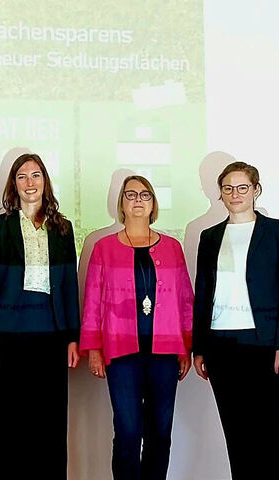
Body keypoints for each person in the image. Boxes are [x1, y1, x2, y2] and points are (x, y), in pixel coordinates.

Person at [80, 175, 194, 480]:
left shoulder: (172, 247)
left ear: (154, 203)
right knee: (128, 432)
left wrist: (186, 347)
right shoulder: (103, 248)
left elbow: (185, 299)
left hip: (165, 352)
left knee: (160, 431)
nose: (138, 200)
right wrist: (92, 348)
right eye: (131, 195)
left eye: (145, 195)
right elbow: (92, 301)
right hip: (121, 352)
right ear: (121, 204)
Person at [192, 161, 279, 479]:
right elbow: (203, 292)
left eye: (242, 187)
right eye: (228, 188)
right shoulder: (209, 236)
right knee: (236, 434)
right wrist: (199, 348)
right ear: (220, 195)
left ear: (256, 190)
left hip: (266, 345)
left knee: (269, 433)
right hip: (221, 346)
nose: (235, 194)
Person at [0, 153, 80, 480]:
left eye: (36, 175)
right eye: (22, 176)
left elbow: (68, 288)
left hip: (50, 339)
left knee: (47, 428)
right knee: (0, 427)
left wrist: (73, 337)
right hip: (5, 340)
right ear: (13, 184)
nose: (30, 182)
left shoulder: (63, 228)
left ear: (45, 182)